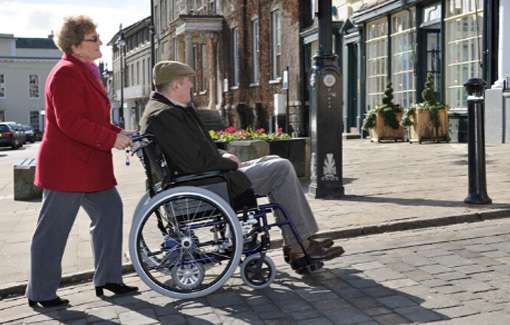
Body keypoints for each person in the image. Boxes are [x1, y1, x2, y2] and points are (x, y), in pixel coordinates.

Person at [139, 61, 344, 272]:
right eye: (188, 82)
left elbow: (194, 152)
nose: (191, 85)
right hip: (209, 182)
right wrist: (228, 162)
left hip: (209, 175)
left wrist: (224, 154)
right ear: (175, 85)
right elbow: (192, 162)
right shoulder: (165, 116)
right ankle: (300, 246)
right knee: (280, 169)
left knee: (273, 162)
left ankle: (299, 243)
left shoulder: (167, 111)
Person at [26, 16, 138, 308]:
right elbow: (71, 123)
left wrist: (120, 132)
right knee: (53, 230)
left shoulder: (84, 71)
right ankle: (40, 292)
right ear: (75, 45)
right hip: (67, 168)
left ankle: (108, 278)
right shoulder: (66, 73)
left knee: (110, 212)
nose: (100, 42)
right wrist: (111, 140)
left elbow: (94, 120)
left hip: (90, 167)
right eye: (94, 38)